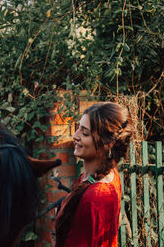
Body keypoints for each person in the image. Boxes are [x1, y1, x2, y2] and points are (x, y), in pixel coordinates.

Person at [55, 102, 133, 247]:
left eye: (85, 133)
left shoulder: (95, 197)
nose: (75, 136)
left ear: (109, 143)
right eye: (78, 128)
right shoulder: (106, 174)